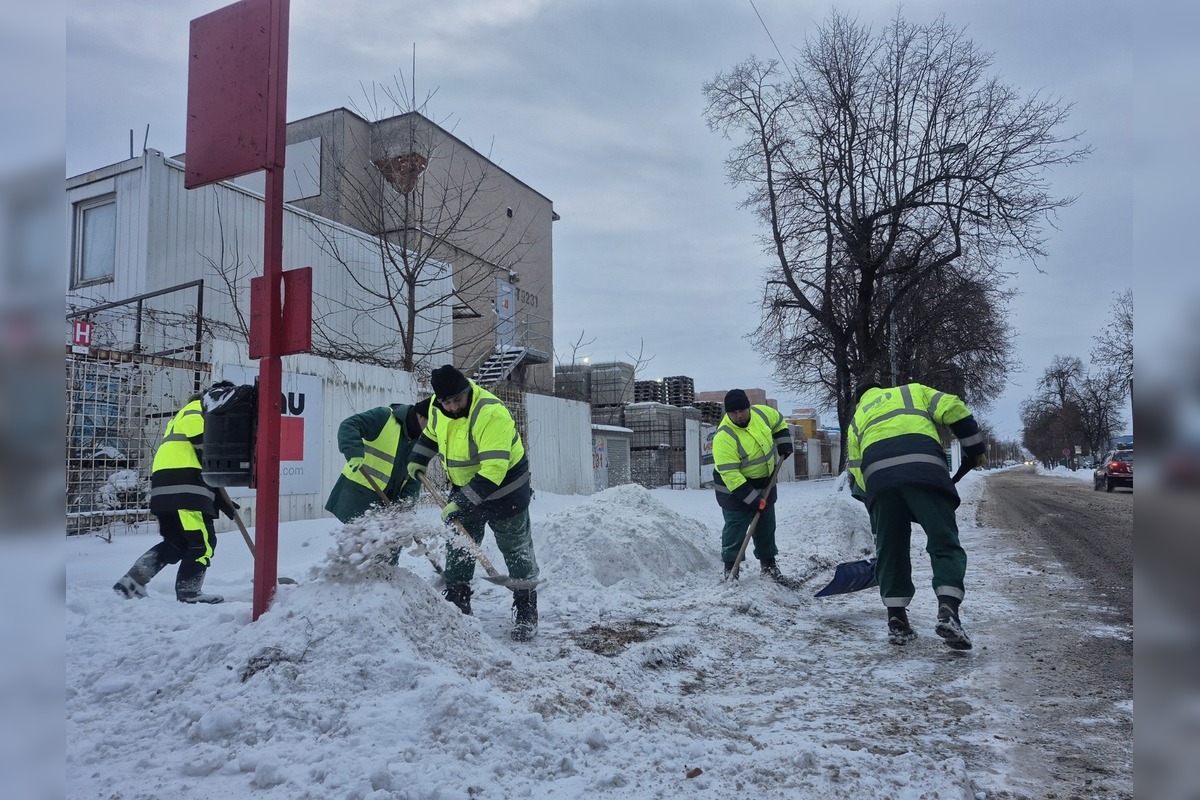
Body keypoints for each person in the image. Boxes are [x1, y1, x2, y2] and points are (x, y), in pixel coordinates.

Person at [846, 380, 986, 650]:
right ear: (882, 388)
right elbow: (953, 408)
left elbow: (856, 470)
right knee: (943, 541)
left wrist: (877, 501)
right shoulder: (912, 391)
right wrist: (975, 448)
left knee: (891, 549)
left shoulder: (857, 419)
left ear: (859, 399)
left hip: (880, 481)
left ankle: (897, 620)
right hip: (926, 471)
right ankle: (948, 611)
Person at [406, 365, 540, 641]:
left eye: (458, 399)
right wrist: (418, 458)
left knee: (515, 547)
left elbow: (494, 470)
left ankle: (526, 607)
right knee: (460, 544)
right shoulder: (437, 407)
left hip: (506, 490)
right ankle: (458, 599)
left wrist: (461, 502)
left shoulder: (490, 413)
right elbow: (431, 435)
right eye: (447, 402)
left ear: (467, 390)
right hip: (466, 487)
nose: (453, 407)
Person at [113, 382, 241, 604]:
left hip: (169, 486)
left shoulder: (184, 415)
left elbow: (198, 463)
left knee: (177, 543)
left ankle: (131, 583)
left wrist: (221, 501)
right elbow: (199, 443)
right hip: (185, 487)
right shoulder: (197, 408)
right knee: (202, 543)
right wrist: (210, 454)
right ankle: (189, 592)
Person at [712, 389, 795, 584]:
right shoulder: (724, 437)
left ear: (749, 407)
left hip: (765, 481)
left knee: (766, 525)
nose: (739, 416)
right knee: (736, 528)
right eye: (734, 413)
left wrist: (783, 442)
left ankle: (769, 566)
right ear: (728, 413)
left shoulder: (762, 414)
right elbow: (731, 475)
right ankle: (731, 570)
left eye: (742, 410)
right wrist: (753, 500)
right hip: (734, 488)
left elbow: (778, 422)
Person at [324, 398, 430, 527]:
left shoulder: (422, 442)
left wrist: (405, 508)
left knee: (384, 540)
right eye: (432, 425)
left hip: (388, 511)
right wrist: (353, 451)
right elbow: (350, 425)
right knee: (357, 538)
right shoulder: (384, 417)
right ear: (421, 416)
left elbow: (414, 480)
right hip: (358, 498)